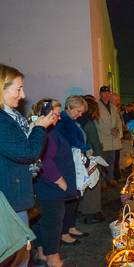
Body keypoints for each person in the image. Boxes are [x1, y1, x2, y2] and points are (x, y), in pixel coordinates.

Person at [0, 63, 52, 267]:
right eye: (18, 88)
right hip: (9, 203)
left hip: (13, 200)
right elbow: (28, 152)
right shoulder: (2, 121)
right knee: (17, 258)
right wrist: (39, 129)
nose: (23, 95)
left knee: (21, 255)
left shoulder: (10, 118)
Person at [30, 98, 77, 267]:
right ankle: (53, 260)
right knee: (53, 222)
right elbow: (46, 160)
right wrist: (61, 181)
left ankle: (43, 254)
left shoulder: (46, 130)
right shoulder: (46, 133)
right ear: (47, 114)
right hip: (51, 188)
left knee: (43, 221)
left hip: (45, 187)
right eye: (56, 114)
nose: (59, 118)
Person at [56, 95, 90, 244]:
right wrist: (87, 147)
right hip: (66, 163)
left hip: (73, 161)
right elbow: (71, 141)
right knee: (69, 197)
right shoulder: (64, 121)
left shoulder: (71, 120)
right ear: (69, 107)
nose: (80, 114)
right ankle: (64, 232)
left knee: (74, 196)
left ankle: (70, 226)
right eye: (78, 111)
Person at [76, 96, 106, 224]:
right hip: (91, 158)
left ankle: (82, 209)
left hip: (80, 157)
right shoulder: (89, 123)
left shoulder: (78, 121)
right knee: (93, 186)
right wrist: (101, 157)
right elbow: (94, 142)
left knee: (83, 184)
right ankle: (91, 213)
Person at [95, 86, 122, 191]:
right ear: (100, 94)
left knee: (111, 160)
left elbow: (118, 120)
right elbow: (97, 122)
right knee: (103, 161)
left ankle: (110, 178)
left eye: (108, 93)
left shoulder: (113, 107)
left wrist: (116, 129)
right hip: (104, 138)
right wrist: (109, 131)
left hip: (113, 138)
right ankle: (102, 182)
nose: (106, 95)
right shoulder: (97, 106)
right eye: (104, 93)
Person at [110, 93, 122, 182]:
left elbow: (118, 122)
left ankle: (117, 175)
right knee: (113, 159)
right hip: (112, 138)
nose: (118, 102)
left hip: (117, 137)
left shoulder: (114, 109)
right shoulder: (110, 109)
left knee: (116, 157)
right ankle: (114, 176)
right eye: (117, 100)